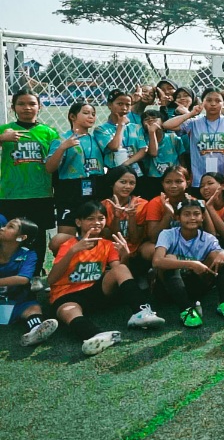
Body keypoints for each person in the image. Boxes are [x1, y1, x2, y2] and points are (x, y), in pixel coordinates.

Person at [46, 202, 165, 356]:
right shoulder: (69, 245)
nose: (96, 222)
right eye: (90, 219)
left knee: (121, 269)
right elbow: (51, 280)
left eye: (101, 218)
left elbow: (118, 270)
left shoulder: (106, 244)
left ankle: (141, 312)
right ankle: (95, 336)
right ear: (78, 222)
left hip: (95, 292)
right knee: (68, 311)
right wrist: (72, 251)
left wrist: (125, 256)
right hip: (67, 295)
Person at [152, 199, 224, 328]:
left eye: (196, 214)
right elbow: (157, 261)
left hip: (197, 285)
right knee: (169, 258)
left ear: (202, 217)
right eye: (187, 214)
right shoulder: (167, 234)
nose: (192, 218)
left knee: (217, 256)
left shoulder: (208, 238)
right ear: (178, 218)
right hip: (168, 289)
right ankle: (186, 309)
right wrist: (191, 264)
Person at [0, 90, 59, 273]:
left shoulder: (49, 133)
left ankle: (34, 273)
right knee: (10, 235)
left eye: (32, 104)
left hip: (40, 193)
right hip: (11, 194)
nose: (27, 108)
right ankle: (9, 273)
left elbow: (55, 161)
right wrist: (2, 139)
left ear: (39, 107)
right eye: (21, 104)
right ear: (13, 108)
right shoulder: (5, 129)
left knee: (37, 235)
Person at [46, 102, 103, 240]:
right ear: (72, 116)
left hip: (94, 188)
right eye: (86, 113)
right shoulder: (61, 139)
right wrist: (62, 148)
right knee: (66, 237)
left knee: (93, 234)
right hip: (70, 190)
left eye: (93, 114)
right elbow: (49, 168)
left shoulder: (96, 139)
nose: (91, 116)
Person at [0, 217, 58, 347]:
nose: (2, 228)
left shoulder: (29, 254)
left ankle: (36, 331)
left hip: (18, 300)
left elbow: (23, 279)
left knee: (33, 308)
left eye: (10, 227)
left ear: (21, 237)